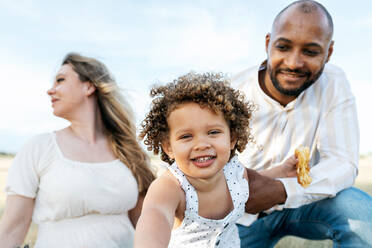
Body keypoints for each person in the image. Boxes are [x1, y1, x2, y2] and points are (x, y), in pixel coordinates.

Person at [232, 0, 372, 247]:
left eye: (310, 51)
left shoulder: (334, 83)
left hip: (305, 204)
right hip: (241, 216)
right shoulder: (233, 92)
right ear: (268, 44)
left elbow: (342, 162)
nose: (294, 63)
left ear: (328, 53)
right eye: (283, 47)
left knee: (359, 213)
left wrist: (282, 190)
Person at [0, 53, 155, 247]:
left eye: (60, 80)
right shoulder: (39, 148)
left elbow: (145, 226)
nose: (50, 90)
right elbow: (11, 229)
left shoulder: (127, 150)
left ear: (89, 86)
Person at [134, 72, 297, 248]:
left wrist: (281, 171)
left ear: (232, 138)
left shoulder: (235, 172)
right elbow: (155, 216)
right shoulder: (171, 187)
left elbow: (253, 180)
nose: (202, 144)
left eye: (213, 132)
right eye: (187, 136)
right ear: (168, 147)